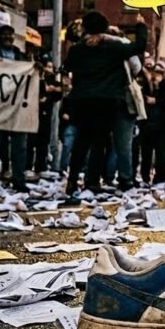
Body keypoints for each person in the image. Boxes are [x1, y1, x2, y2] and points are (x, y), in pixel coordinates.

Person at [64, 12, 147, 195]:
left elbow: (67, 67)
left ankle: (72, 180)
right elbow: (139, 46)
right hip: (106, 101)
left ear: (85, 28)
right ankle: (92, 182)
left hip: (82, 101)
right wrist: (140, 26)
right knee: (99, 143)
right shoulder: (114, 47)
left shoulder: (77, 50)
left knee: (81, 141)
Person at [0, 25, 31, 194]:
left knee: (19, 147)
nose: (7, 37)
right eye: (4, 34)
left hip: (17, 109)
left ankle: (19, 181)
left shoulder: (21, 56)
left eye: (10, 34)